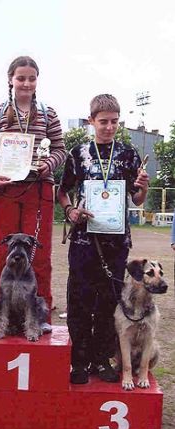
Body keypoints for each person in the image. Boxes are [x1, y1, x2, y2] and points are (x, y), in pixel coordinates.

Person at [57, 94, 149, 384]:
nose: (109, 127)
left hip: (116, 243)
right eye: (103, 121)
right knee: (80, 301)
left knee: (109, 303)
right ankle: (79, 361)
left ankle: (101, 359)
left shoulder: (129, 154)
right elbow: (62, 192)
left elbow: (137, 199)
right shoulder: (78, 153)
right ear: (91, 121)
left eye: (114, 122)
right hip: (84, 242)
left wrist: (143, 188)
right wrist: (71, 210)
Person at [0, 55, 66, 330]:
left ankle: (40, 318)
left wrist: (47, 165)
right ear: (10, 79)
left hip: (38, 189)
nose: (26, 83)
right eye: (21, 78)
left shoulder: (48, 113)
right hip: (3, 190)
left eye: (31, 78)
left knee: (38, 256)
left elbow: (60, 150)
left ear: (37, 80)